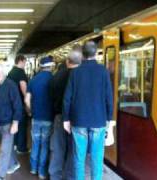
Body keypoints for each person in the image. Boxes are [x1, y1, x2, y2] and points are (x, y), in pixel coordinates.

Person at [63, 41, 113, 180]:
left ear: (83, 55)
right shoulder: (103, 71)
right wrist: (110, 119)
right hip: (98, 121)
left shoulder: (75, 72)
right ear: (96, 53)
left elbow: (67, 98)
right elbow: (109, 97)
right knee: (96, 159)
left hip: (78, 121)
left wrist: (66, 119)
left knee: (79, 159)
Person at [49, 49, 82, 180]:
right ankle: (70, 176)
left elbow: (51, 96)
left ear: (67, 61)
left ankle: (55, 175)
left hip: (59, 116)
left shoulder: (56, 76)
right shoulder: (80, 76)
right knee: (73, 150)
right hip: (75, 119)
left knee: (57, 148)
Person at [0, 64, 22, 180]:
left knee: (4, 149)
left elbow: (18, 105)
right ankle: (14, 164)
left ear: (0, 75)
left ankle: (0, 175)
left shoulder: (11, 85)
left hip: (8, 123)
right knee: (7, 147)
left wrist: (15, 122)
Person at [25, 57, 55, 179]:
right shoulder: (53, 79)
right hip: (48, 118)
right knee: (45, 144)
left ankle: (33, 168)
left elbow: (27, 100)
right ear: (51, 66)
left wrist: (30, 111)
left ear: (40, 66)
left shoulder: (33, 80)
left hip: (36, 117)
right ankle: (42, 172)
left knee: (35, 143)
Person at [7, 55, 29, 154]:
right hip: (19, 102)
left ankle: (15, 144)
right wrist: (26, 100)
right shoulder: (21, 72)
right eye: (25, 62)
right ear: (20, 61)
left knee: (15, 123)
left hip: (12, 102)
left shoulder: (11, 72)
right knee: (22, 125)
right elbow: (23, 87)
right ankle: (21, 148)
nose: (25, 64)